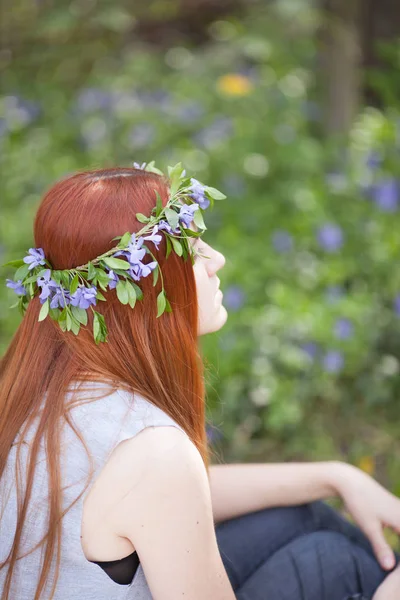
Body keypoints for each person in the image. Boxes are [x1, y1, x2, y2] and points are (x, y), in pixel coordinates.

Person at [0, 162, 399, 600]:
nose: (216, 260)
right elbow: (161, 482)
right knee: (332, 561)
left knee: (307, 520)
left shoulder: (37, 387)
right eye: (192, 251)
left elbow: (169, 501)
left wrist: (338, 476)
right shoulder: (152, 451)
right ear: (143, 291)